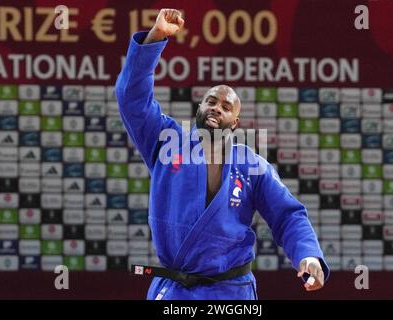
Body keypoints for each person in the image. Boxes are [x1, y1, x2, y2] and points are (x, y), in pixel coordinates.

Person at [116, 8, 329, 300]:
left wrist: (308, 255)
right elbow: (132, 99)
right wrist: (156, 37)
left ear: (236, 123)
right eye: (211, 101)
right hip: (175, 291)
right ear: (199, 108)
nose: (217, 107)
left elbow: (288, 214)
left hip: (230, 293)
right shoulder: (167, 143)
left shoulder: (253, 165)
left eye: (226, 107)